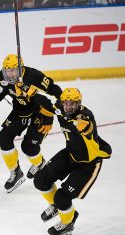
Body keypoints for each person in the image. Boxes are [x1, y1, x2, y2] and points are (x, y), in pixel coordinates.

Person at [33, 88, 112, 235]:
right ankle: (57, 206)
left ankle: (68, 222)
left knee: (62, 198)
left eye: (73, 104)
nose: (68, 107)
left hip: (88, 164)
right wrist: (28, 92)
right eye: (66, 103)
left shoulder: (85, 115)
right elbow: (47, 102)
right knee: (40, 180)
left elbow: (88, 126)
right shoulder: (60, 107)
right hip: (70, 154)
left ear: (79, 104)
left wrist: (83, 126)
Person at [0, 54, 62, 193]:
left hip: (41, 113)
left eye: (13, 70)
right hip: (20, 111)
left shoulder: (34, 76)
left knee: (28, 147)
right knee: (3, 138)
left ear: (20, 69)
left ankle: (39, 164)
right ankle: (15, 172)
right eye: (7, 70)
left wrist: (49, 115)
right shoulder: (3, 75)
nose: (9, 74)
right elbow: (1, 93)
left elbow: (56, 92)